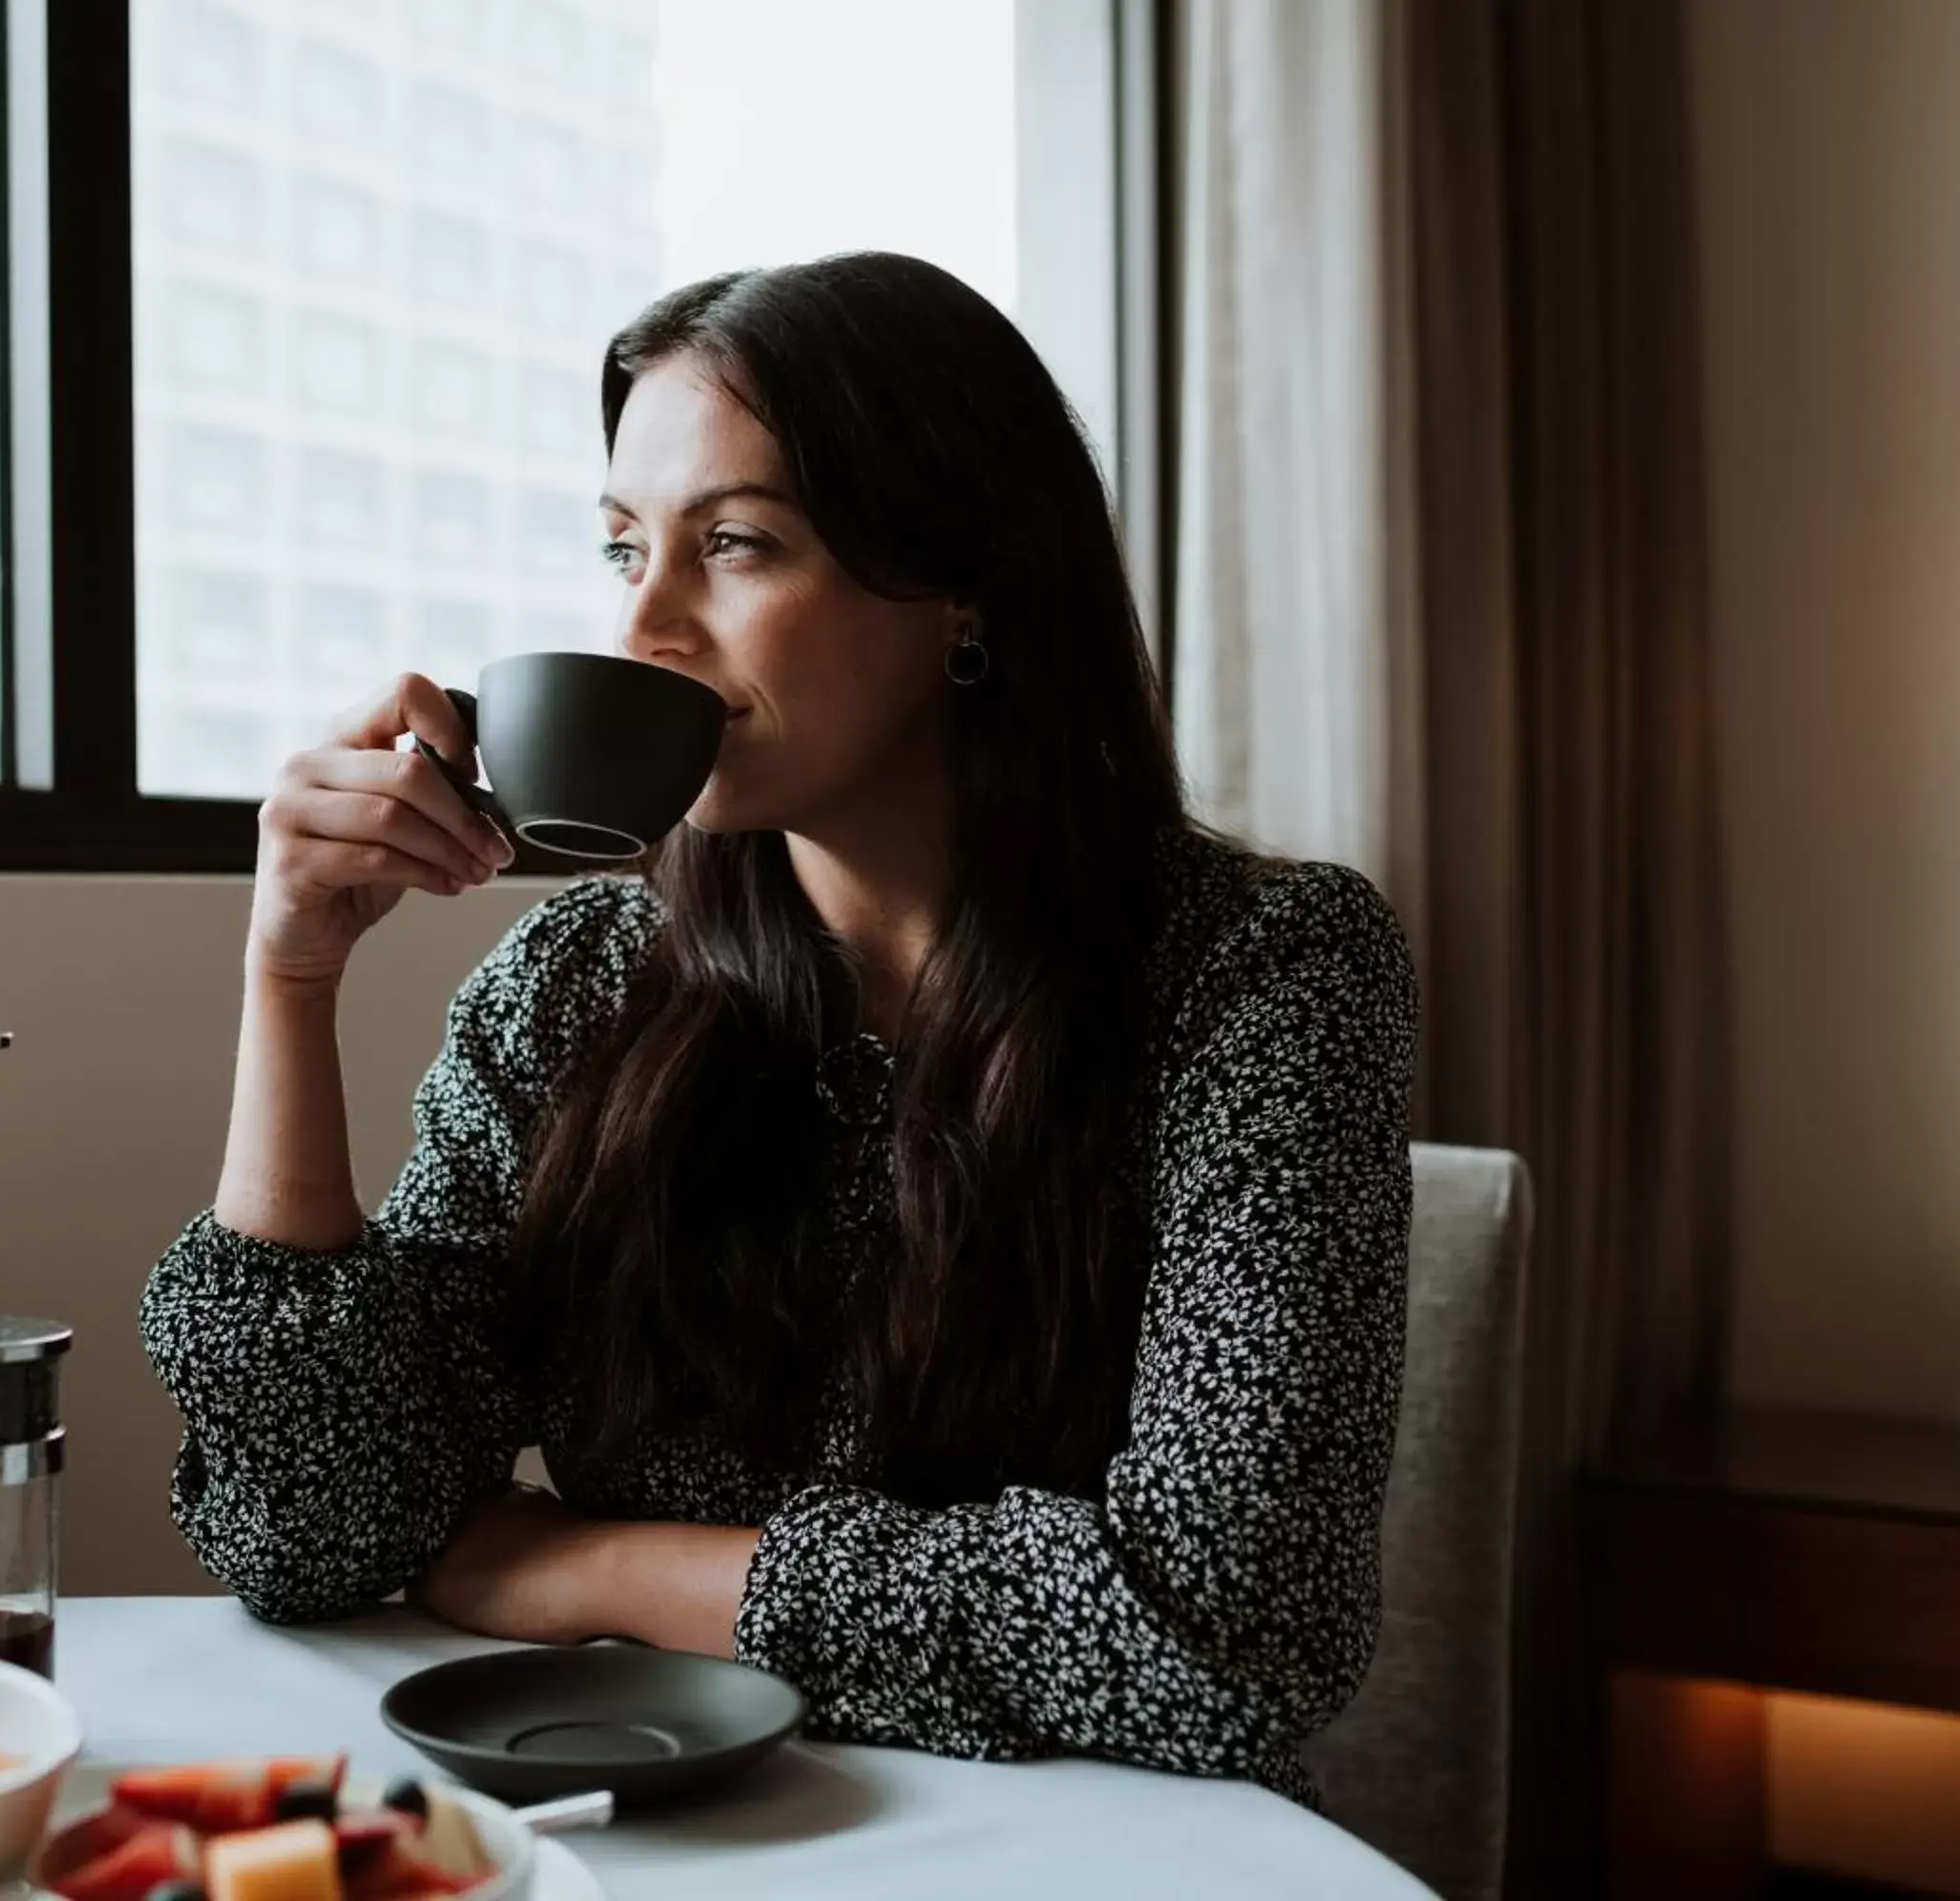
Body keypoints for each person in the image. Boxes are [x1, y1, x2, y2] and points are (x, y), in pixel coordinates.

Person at [141, 253, 1415, 1805]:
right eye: (624, 546)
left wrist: (598, 1570)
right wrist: (290, 984)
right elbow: (315, 1527)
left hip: (1095, 1843)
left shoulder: (1265, 972)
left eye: (736, 543)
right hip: (652, 1820)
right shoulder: (583, 983)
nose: (648, 621)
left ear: (966, 592)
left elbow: (1230, 1637)